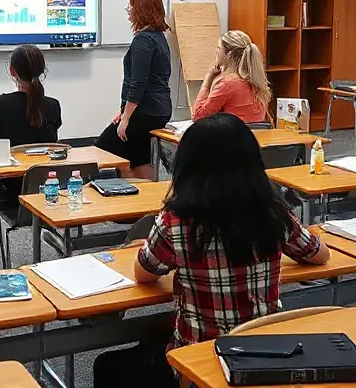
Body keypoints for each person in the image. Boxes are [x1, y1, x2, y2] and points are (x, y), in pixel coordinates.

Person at [92, 114, 329, 388]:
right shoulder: (273, 212)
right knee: (154, 336)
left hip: (201, 363)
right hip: (267, 358)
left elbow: (143, 273)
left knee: (108, 365)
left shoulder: (176, 219)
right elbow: (320, 254)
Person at [95, 0, 172, 180]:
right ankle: (147, 199)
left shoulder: (143, 41)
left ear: (141, 9)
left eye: (131, 5)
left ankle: (132, 196)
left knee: (102, 150)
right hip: (159, 109)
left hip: (144, 111)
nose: (128, 9)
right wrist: (123, 112)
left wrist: (126, 118)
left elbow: (138, 83)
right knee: (138, 157)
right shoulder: (159, 38)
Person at [0, 44, 62, 202]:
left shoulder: (2, 103)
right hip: (49, 193)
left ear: (12, 72)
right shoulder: (53, 105)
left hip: (12, 195)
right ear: (41, 70)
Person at [192, 30, 270, 124]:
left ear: (228, 54)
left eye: (219, 48)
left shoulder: (227, 84)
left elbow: (198, 116)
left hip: (232, 137)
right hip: (254, 137)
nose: (216, 51)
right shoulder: (257, 81)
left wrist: (207, 81)